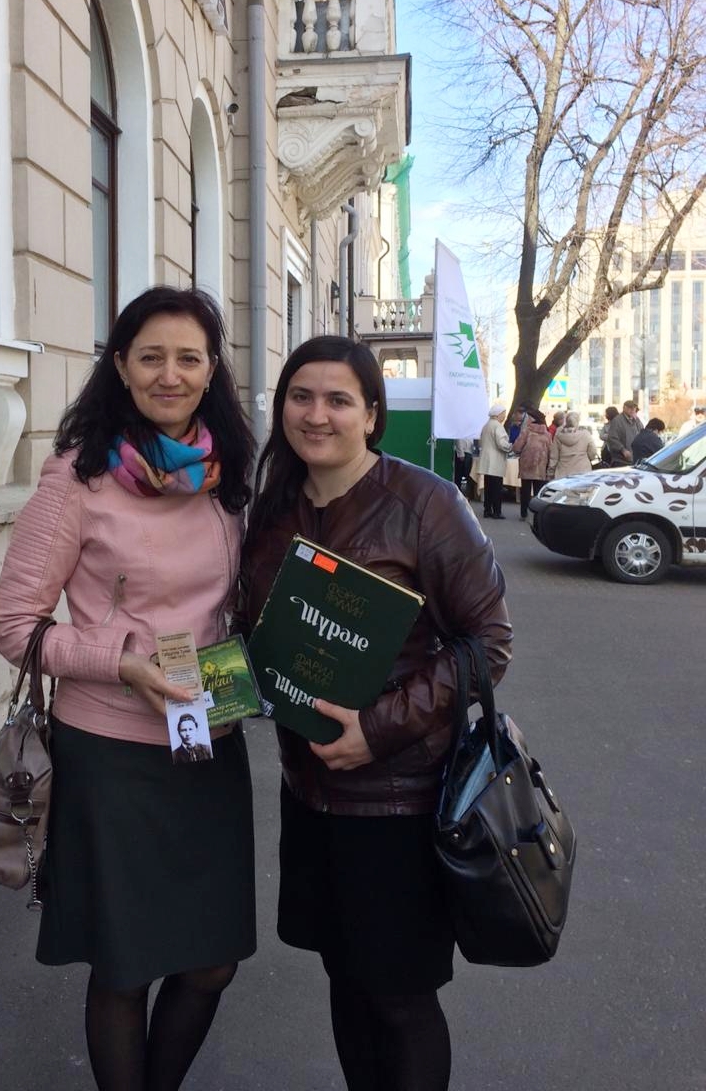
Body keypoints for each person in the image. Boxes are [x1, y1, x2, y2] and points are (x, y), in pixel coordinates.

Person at [0, 286, 257, 1091]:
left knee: (211, 963)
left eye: (188, 358)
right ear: (120, 366)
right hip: (111, 753)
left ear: (211, 370)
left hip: (208, 741)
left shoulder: (227, 474)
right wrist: (125, 663)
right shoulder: (77, 477)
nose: (170, 375)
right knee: (125, 965)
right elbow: (15, 626)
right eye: (151, 357)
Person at [240, 336, 512, 1091]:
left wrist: (379, 728)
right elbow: (255, 632)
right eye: (301, 397)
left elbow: (488, 643)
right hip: (309, 793)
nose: (316, 415)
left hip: (398, 799)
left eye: (338, 400)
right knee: (345, 975)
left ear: (371, 414)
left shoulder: (426, 504)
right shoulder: (273, 511)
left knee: (399, 996)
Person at [512, 408, 550, 519]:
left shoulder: (526, 432)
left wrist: (517, 450)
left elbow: (517, 447)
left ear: (532, 419)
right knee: (538, 492)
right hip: (541, 466)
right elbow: (550, 450)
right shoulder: (547, 434)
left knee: (525, 491)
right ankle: (537, 515)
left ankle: (524, 514)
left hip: (526, 465)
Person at [477, 401, 511, 519]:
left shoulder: (486, 425)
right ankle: (497, 511)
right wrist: (510, 446)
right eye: (503, 414)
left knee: (488, 488)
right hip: (495, 462)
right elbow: (501, 443)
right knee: (496, 488)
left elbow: (481, 442)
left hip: (486, 461)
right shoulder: (498, 426)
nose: (504, 416)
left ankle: (487, 510)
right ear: (498, 414)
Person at [548, 410, 598, 479]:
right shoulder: (586, 435)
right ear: (578, 421)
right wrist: (589, 458)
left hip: (563, 474)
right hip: (583, 472)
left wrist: (550, 473)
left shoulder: (558, 436)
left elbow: (554, 457)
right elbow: (593, 452)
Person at [604, 400, 644, 466]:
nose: (633, 410)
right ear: (624, 408)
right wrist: (623, 450)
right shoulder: (617, 421)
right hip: (621, 460)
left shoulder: (636, 420)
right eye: (630, 407)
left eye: (634, 408)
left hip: (635, 459)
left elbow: (642, 433)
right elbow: (612, 438)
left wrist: (637, 421)